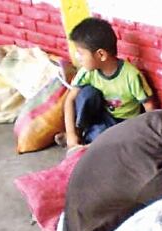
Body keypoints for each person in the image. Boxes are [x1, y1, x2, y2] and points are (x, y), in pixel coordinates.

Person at [61, 17, 156, 149]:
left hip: (124, 124)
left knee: (102, 139)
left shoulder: (131, 75)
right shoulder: (87, 72)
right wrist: (71, 133)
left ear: (101, 55)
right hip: (102, 117)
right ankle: (77, 135)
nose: (78, 58)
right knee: (87, 93)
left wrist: (149, 136)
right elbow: (70, 100)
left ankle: (87, 143)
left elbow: (149, 107)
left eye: (81, 54)